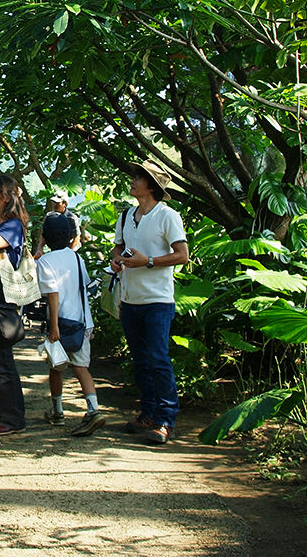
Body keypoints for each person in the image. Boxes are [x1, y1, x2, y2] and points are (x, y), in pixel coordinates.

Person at [110, 160, 189, 445]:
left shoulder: (167, 216)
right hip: (130, 300)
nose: (133, 180)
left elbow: (182, 254)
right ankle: (148, 413)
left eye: (139, 177)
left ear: (152, 186)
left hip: (157, 301)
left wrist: (150, 262)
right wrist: (116, 259)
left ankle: (166, 420)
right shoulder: (126, 215)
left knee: (158, 359)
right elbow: (118, 247)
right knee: (141, 360)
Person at [37, 214, 105, 436]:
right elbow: (84, 286)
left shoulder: (45, 261)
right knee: (81, 368)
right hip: (82, 323)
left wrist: (53, 327)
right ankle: (93, 409)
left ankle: (57, 411)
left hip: (61, 324)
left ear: (45, 237)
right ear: (70, 236)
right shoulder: (77, 258)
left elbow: (52, 295)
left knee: (56, 368)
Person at [0, 175, 29, 437]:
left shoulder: (12, 225)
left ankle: (13, 418)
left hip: (2, 304)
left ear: (3, 197)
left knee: (2, 363)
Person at [33, 191, 81, 258]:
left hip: (70, 252)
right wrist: (39, 248)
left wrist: (66, 254)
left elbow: (76, 239)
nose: (55, 205)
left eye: (57, 203)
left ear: (65, 204)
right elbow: (44, 236)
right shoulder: (49, 216)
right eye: (54, 202)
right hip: (54, 251)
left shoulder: (71, 218)